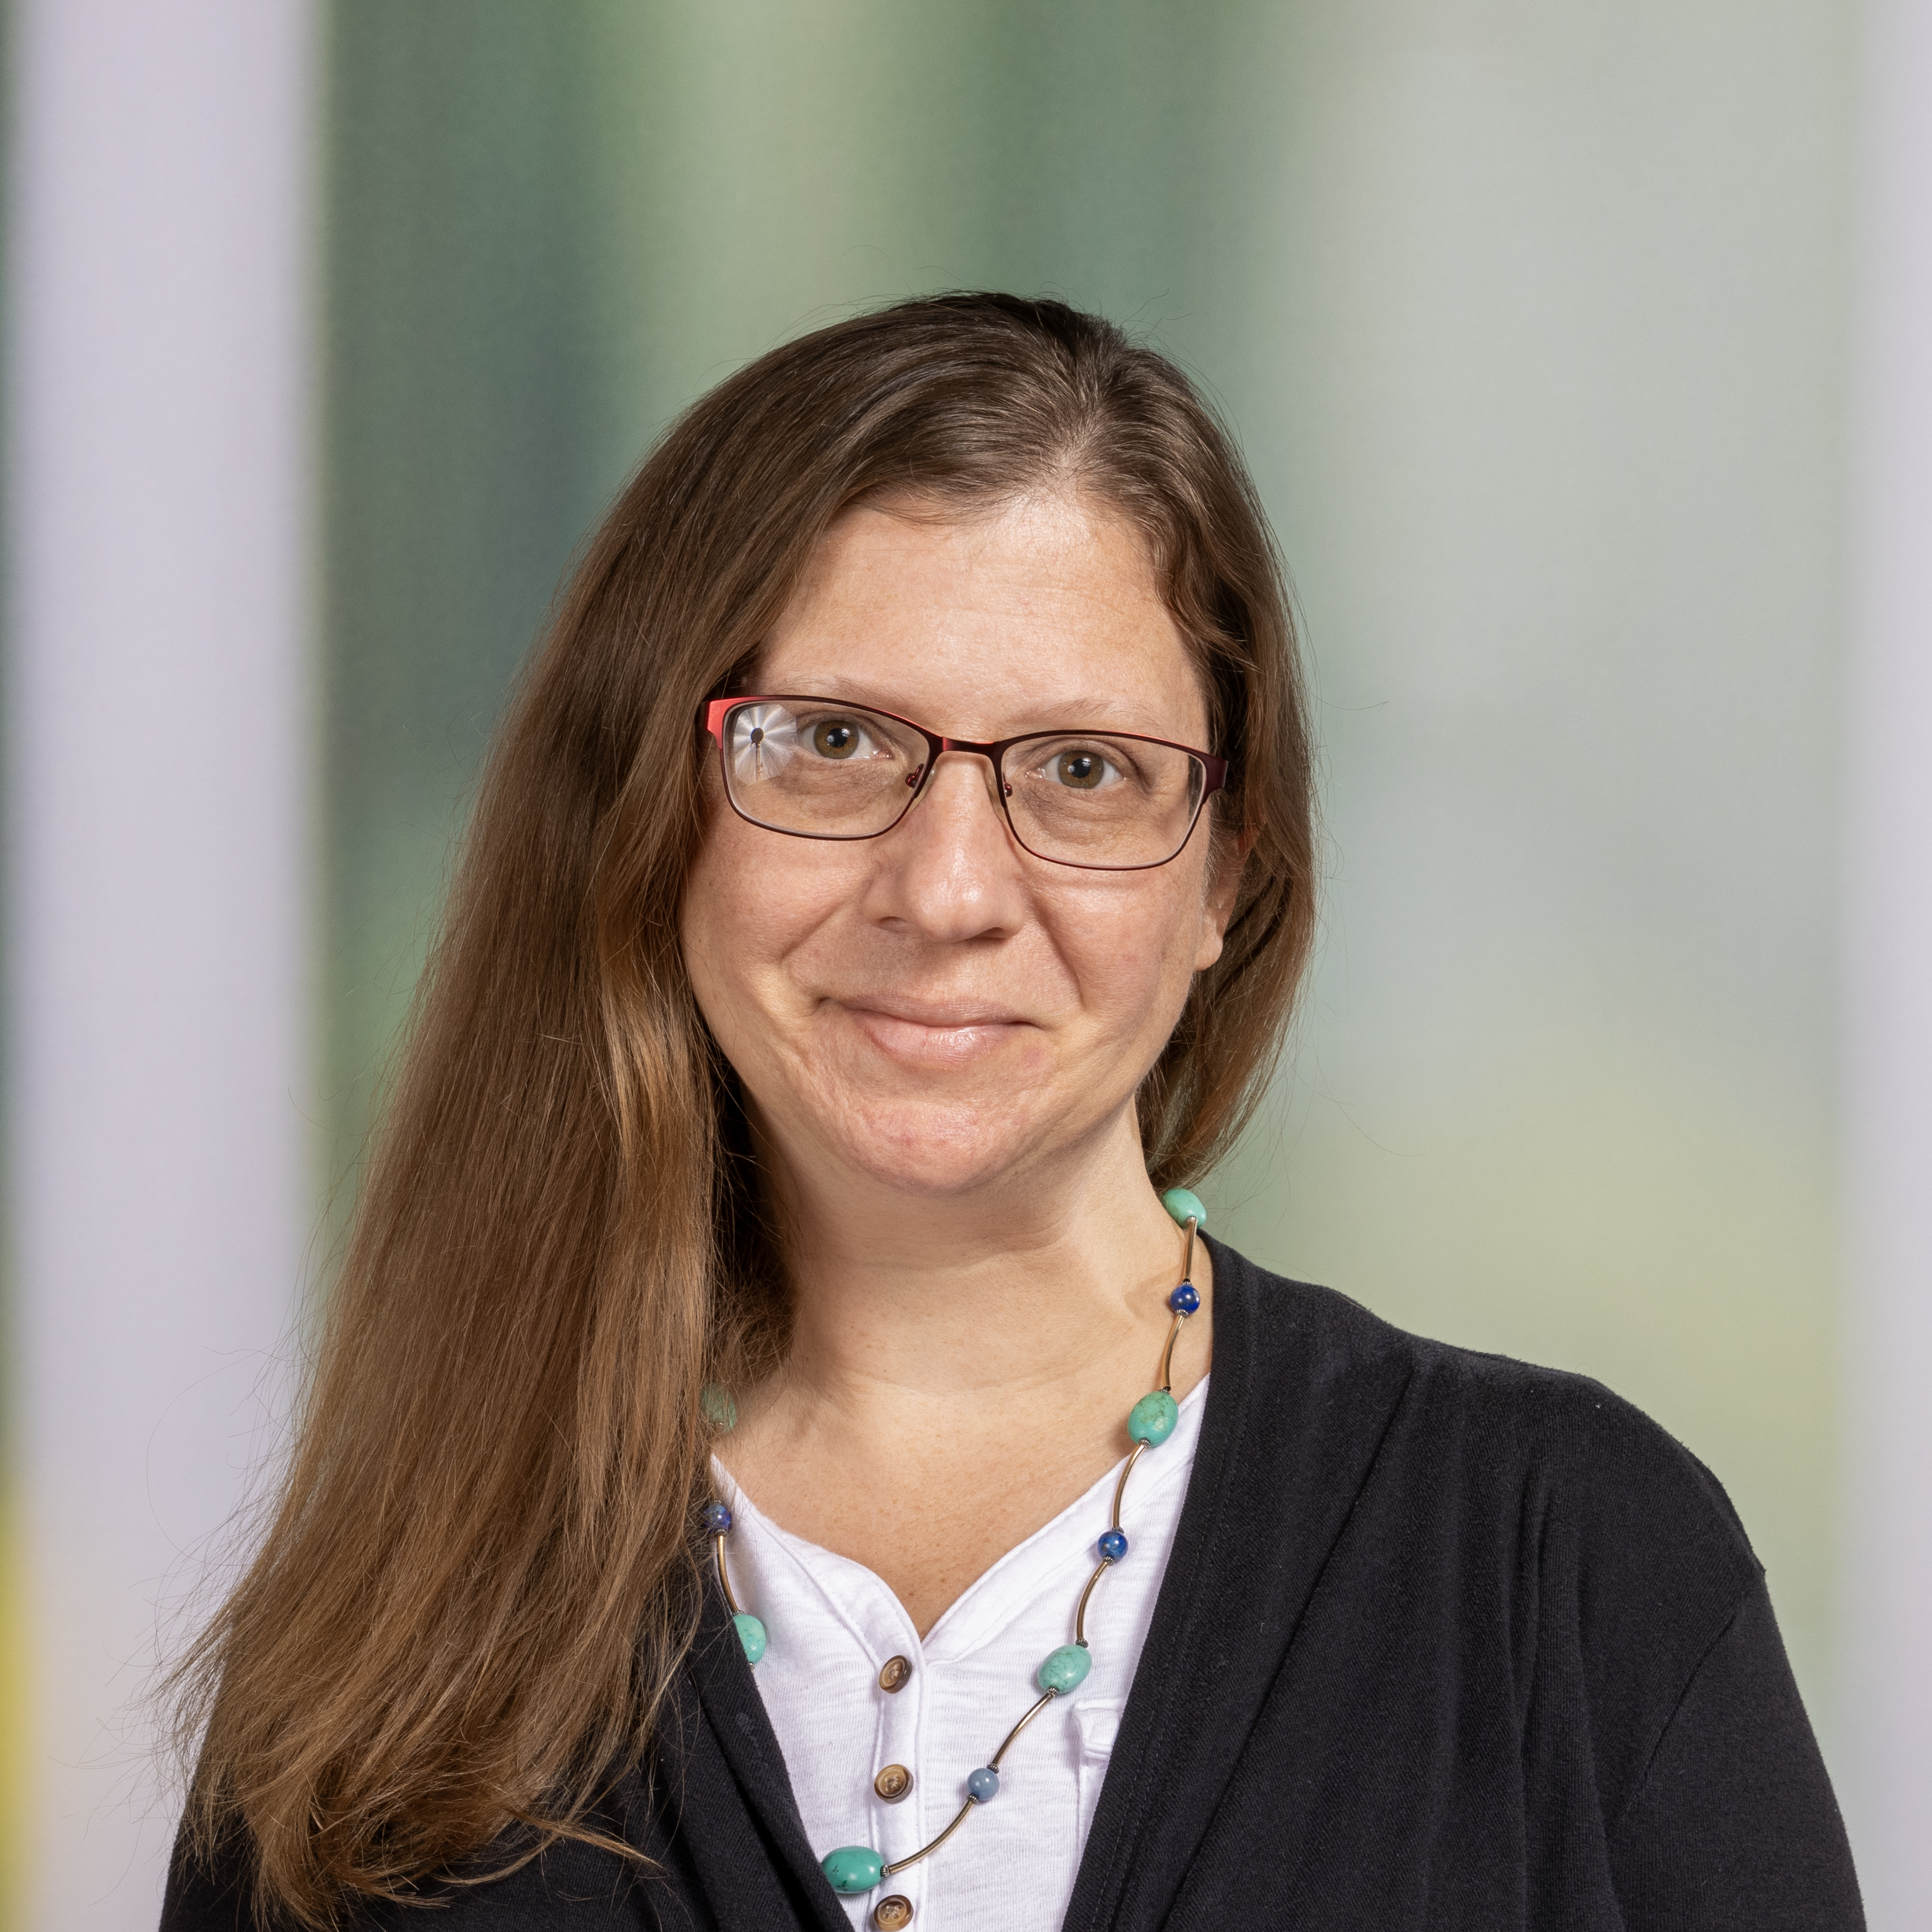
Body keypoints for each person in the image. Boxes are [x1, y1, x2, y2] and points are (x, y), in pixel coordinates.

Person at [161, 293, 1861, 1931]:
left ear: (1226, 878)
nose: (950, 887)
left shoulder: (1564, 1566)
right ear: (652, 813)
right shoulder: (395, 1636)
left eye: (1083, 769)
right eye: (829, 738)